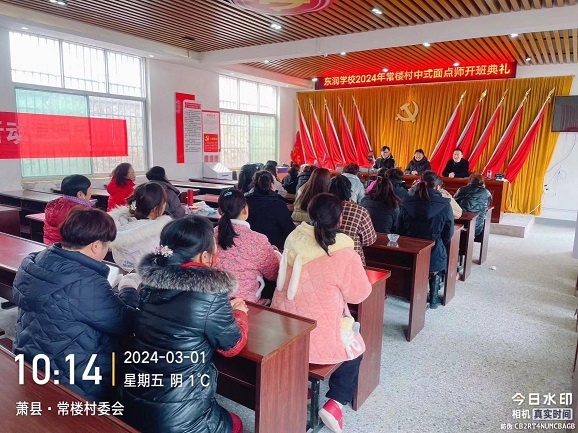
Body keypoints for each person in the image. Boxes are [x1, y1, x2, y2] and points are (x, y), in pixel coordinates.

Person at [120, 216, 248, 433]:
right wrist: (239, 313)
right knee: (236, 424)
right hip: (177, 420)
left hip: (133, 402)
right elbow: (232, 346)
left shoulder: (149, 284)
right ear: (205, 256)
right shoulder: (210, 294)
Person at [13, 207, 140, 401]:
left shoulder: (33, 262)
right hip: (74, 376)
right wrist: (128, 289)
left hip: (31, 356)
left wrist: (105, 293)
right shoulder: (86, 282)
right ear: (96, 246)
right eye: (107, 245)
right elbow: (125, 323)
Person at [272, 193, 371, 433]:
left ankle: (303, 390)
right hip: (318, 332)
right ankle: (335, 403)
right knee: (355, 348)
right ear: (339, 219)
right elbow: (359, 295)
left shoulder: (294, 237)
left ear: (309, 213)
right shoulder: (344, 252)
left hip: (283, 324)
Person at [397, 171, 454, 309]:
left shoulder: (407, 202)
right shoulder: (445, 204)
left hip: (410, 247)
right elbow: (448, 232)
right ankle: (433, 298)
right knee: (440, 255)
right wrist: (440, 242)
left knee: (413, 263)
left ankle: (410, 295)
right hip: (434, 248)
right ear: (437, 187)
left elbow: (399, 228)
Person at [214, 188, 280, 303]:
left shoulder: (209, 235)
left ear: (219, 211)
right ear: (245, 209)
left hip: (213, 301)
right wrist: (275, 253)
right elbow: (274, 274)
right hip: (245, 304)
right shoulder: (258, 240)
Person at [108, 182, 172, 272]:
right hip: (148, 275)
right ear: (155, 209)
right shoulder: (156, 233)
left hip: (121, 269)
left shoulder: (118, 224)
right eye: (164, 202)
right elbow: (166, 258)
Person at [328, 175, 377, 265]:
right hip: (353, 262)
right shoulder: (360, 211)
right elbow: (369, 240)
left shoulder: (322, 208)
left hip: (327, 259)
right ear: (349, 191)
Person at [245, 170, 295, 249]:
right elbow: (289, 230)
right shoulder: (279, 204)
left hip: (249, 246)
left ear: (253, 184)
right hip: (274, 247)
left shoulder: (244, 201)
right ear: (272, 185)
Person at [44, 174, 96, 245]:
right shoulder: (81, 212)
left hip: (51, 246)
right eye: (90, 189)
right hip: (71, 248)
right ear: (80, 194)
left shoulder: (53, 205)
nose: (92, 193)